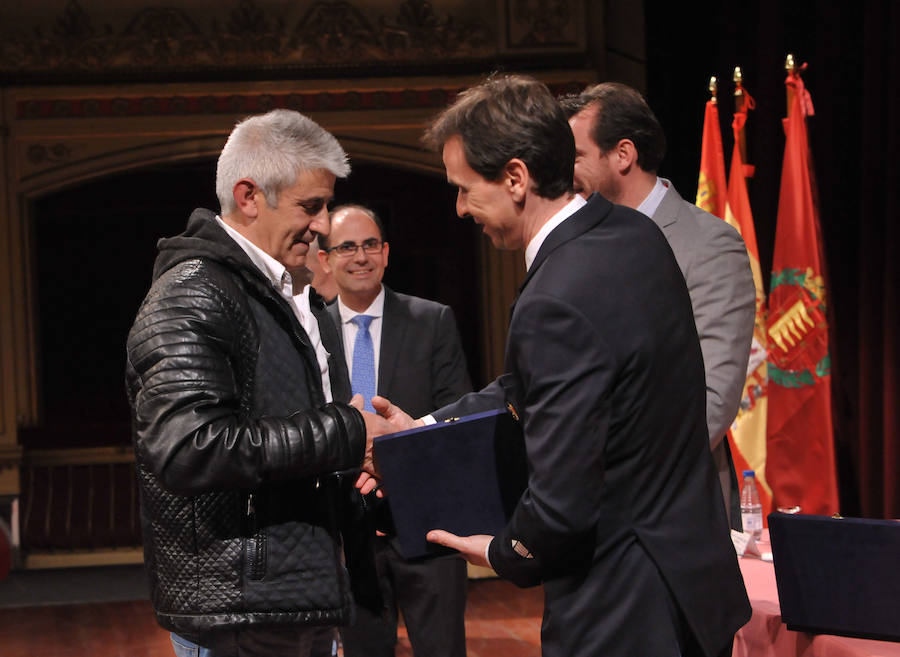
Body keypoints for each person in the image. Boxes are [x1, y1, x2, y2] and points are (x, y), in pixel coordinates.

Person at [370, 74, 751, 657]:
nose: (459, 208)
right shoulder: (632, 233)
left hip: (625, 611)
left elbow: (563, 496)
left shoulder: (555, 296)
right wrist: (419, 433)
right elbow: (535, 388)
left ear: (516, 178)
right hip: (691, 590)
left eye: (465, 188)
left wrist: (502, 552)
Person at [125, 109, 388, 657]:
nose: (323, 225)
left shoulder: (282, 294)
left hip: (295, 600)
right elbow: (187, 449)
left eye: (326, 206)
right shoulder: (193, 292)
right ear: (248, 197)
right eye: (309, 206)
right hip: (239, 614)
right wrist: (346, 433)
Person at [561, 82, 756, 530]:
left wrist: (609, 473)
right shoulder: (575, 245)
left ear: (623, 154)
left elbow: (711, 400)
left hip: (673, 510)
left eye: (575, 157)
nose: (565, 173)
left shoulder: (707, 244)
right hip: (585, 511)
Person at [319, 204, 472, 657]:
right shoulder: (309, 331)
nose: (360, 256)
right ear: (326, 259)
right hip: (349, 535)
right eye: (347, 247)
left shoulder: (433, 320)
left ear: (386, 254)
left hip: (428, 529)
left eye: (370, 245)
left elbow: (455, 415)